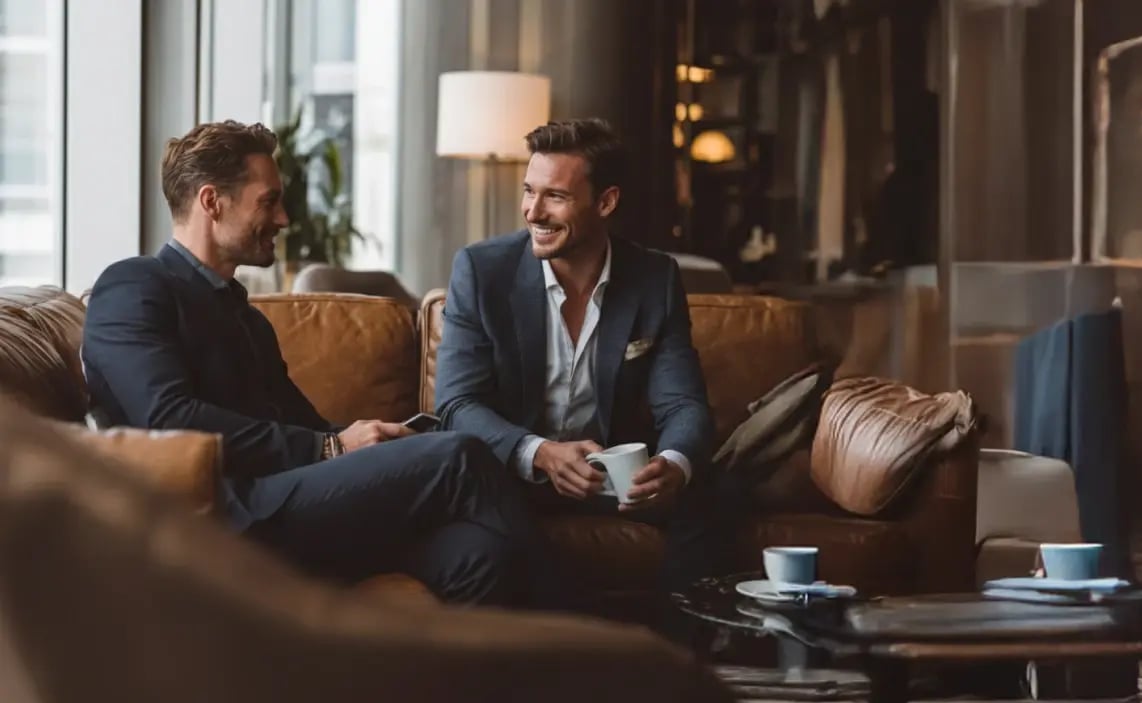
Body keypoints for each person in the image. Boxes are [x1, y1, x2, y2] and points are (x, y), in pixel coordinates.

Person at [82, 120, 544, 606]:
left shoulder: (247, 318)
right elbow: (167, 419)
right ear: (211, 201)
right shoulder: (134, 285)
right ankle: (595, 653)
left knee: (480, 552)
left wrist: (368, 438)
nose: (282, 218)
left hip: (291, 507)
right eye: (268, 200)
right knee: (460, 455)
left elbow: (307, 426)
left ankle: (458, 680)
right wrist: (329, 447)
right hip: (224, 513)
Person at [433, 118, 727, 599]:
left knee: (719, 496)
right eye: (529, 191)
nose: (533, 211)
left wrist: (672, 464)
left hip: (611, 484)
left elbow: (683, 403)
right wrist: (541, 453)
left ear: (606, 202)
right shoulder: (482, 271)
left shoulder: (654, 278)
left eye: (556, 196)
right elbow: (456, 404)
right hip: (513, 478)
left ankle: (675, 660)